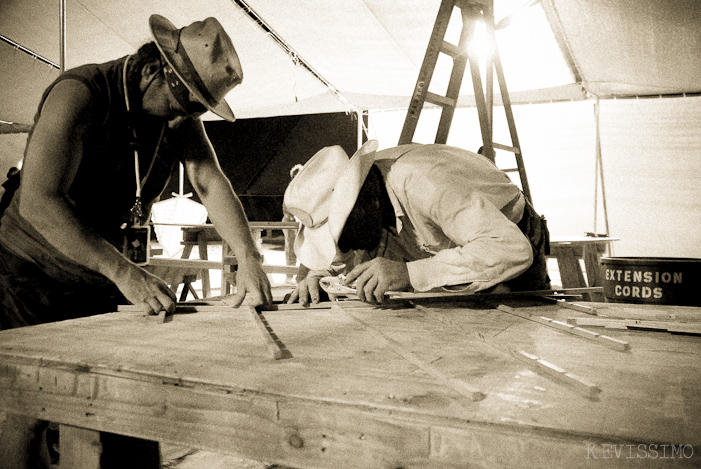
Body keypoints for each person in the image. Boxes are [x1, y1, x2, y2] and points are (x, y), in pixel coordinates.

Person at [0, 14, 272, 469]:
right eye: (185, 102)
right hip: (29, 270)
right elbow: (40, 202)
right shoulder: (80, 94)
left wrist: (248, 255)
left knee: (128, 402)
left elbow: (207, 178)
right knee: (28, 409)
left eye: (199, 108)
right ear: (154, 70)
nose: (188, 117)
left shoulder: (175, 114)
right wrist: (124, 271)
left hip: (92, 266)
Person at [284, 139, 550, 305]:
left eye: (341, 234)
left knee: (510, 331)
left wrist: (408, 274)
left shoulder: (425, 182)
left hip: (511, 237)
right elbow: (346, 255)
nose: (348, 248)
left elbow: (510, 249)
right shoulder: (369, 201)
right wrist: (321, 277)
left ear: (362, 207)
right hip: (445, 244)